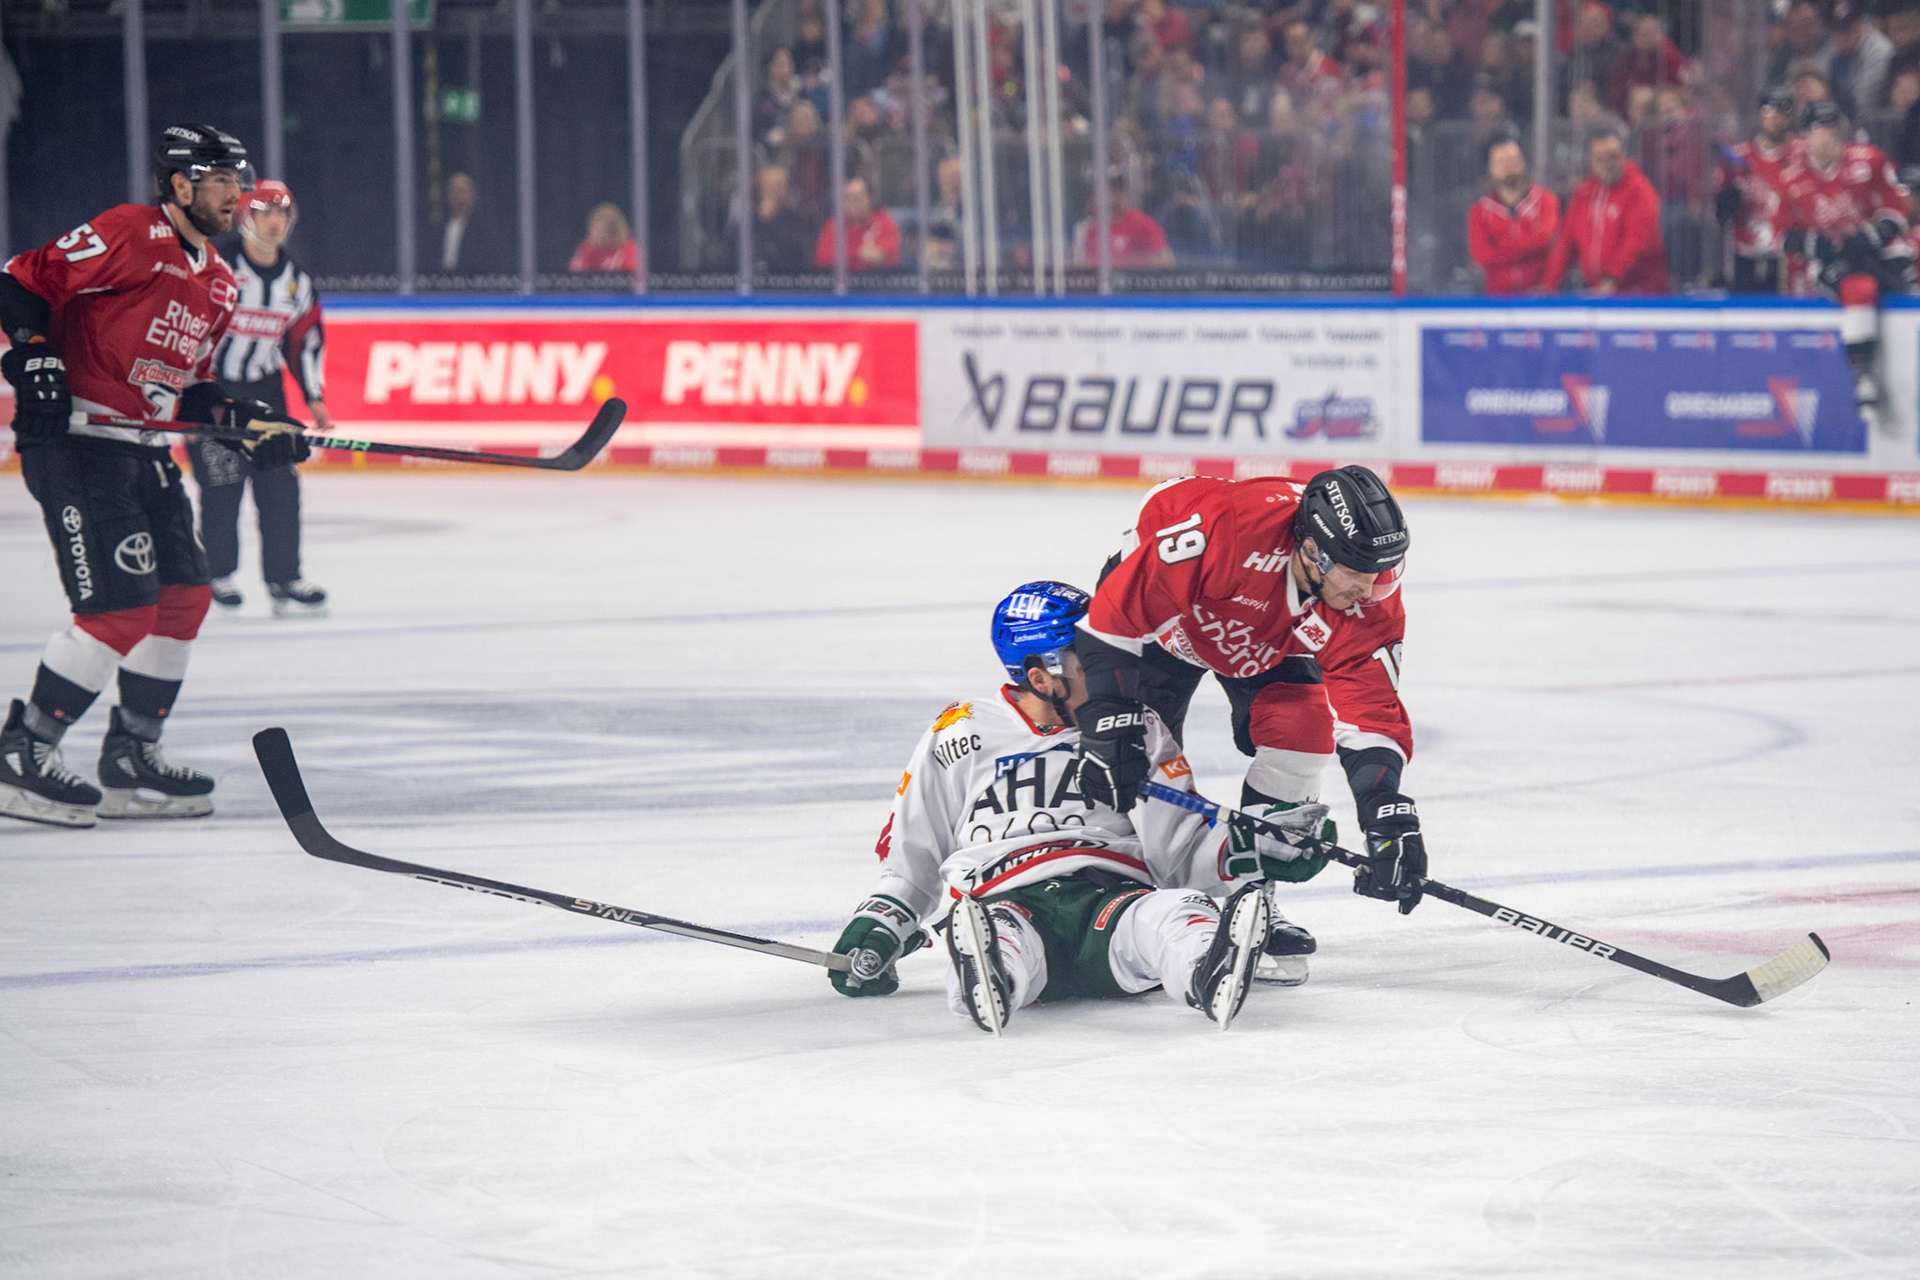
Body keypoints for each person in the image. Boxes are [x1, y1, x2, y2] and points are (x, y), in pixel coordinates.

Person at [828, 582, 1328, 1034]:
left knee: (1179, 913)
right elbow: (913, 851)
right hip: (1006, 895)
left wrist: (1258, 847)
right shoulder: (961, 730)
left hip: (1112, 901)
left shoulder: (1139, 726)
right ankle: (990, 973)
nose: (1115, 677)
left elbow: (1180, 846)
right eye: (1089, 663)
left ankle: (1207, 969)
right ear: (1041, 677)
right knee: (999, 934)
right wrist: (882, 924)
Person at [0, 124, 308, 828]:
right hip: (79, 444)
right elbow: (17, 282)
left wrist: (245, 418)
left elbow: (191, 387)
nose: (235, 194)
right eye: (220, 180)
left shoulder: (220, 283)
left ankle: (131, 755)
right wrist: (34, 353)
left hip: (143, 451)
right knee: (119, 611)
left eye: (238, 180)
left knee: (183, 600)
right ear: (179, 184)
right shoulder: (131, 232)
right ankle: (23, 750)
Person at [1067, 468, 1427, 973]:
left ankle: (1251, 896)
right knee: (1127, 760)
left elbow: (1370, 711)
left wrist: (1385, 812)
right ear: (1311, 551)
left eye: (1380, 573)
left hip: (1266, 637)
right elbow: (1113, 621)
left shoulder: (1367, 589)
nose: (1368, 591)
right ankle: (1123, 896)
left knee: (1303, 729)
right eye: (1356, 574)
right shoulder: (1225, 532)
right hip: (1166, 623)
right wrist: (1109, 720)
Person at [186, 179, 327, 617]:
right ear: (246, 218)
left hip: (265, 392)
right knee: (222, 484)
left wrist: (314, 397)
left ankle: (285, 577)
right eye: (265, 212)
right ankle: (217, 573)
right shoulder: (216, 267)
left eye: (282, 213)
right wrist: (183, 400)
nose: (275, 222)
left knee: (280, 485)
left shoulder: (297, 282)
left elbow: (303, 341)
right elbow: (185, 325)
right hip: (213, 391)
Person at [1779, 100, 1915, 413]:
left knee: (1905, 278)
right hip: (1831, 263)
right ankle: (1863, 373)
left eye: (1832, 127)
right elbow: (1781, 236)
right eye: (1819, 129)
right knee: (1858, 287)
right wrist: (1817, 245)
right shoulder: (1791, 178)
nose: (1828, 136)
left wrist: (1874, 234)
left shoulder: (1869, 160)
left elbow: (1896, 209)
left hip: (1875, 251)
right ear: (1805, 135)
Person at [1542, 127, 1669, 294]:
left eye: (1613, 157)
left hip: (1639, 292)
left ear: (1624, 156)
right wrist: (1549, 285)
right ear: (1590, 160)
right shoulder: (1584, 193)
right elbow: (1566, 243)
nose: (1607, 164)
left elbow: (1637, 242)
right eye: (1600, 159)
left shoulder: (1639, 190)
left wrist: (1612, 278)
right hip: (1599, 290)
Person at [1716, 88, 1805, 294]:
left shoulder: (1802, 154)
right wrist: (1728, 199)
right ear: (1760, 114)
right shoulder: (1739, 157)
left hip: (1787, 254)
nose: (1776, 119)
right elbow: (1721, 213)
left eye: (1783, 112)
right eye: (1770, 112)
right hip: (1745, 251)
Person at [1469, 135, 1560, 293]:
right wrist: (1531, 246)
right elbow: (1482, 256)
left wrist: (1499, 244)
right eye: (1500, 162)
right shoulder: (1479, 211)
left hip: (1542, 295)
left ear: (1523, 161)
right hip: (1498, 299)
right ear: (1490, 168)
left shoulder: (1546, 200)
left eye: (1512, 160)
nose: (1507, 167)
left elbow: (1548, 240)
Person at [1076, 173, 1175, 268]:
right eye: (1109, 190)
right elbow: (1086, 265)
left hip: (1133, 278)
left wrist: (1138, 262)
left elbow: (1165, 261)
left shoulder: (1143, 223)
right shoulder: (1093, 229)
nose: (1115, 194)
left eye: (1117, 189)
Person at [812, 175, 900, 271]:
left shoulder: (884, 223)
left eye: (856, 198)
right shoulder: (833, 226)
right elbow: (823, 259)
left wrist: (846, 256)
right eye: (846, 198)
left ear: (869, 199)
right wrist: (859, 254)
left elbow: (891, 258)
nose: (851, 204)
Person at [433, 171, 511, 276]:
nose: (459, 198)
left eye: (463, 192)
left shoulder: (485, 231)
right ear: (448, 195)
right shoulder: (436, 230)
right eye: (455, 191)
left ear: (472, 196)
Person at [752, 164, 813, 274]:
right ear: (760, 189)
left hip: (787, 279)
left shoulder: (799, 221)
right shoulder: (747, 222)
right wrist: (762, 219)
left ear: (786, 189)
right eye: (768, 185)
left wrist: (770, 220)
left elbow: (796, 256)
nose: (773, 190)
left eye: (778, 185)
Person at [566, 203, 640, 274]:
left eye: (606, 232)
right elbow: (574, 274)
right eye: (597, 232)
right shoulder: (585, 249)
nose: (602, 237)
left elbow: (631, 275)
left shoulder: (629, 250)